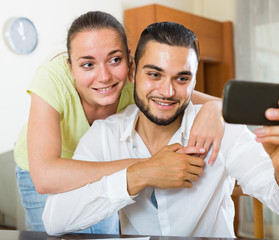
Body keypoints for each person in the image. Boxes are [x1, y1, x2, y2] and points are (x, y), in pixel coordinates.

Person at [42, 21, 279, 237]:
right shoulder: (105, 134)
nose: (167, 91)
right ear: (132, 72)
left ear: (195, 80)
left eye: (182, 78)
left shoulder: (224, 130)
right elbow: (54, 220)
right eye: (154, 74)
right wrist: (140, 174)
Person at [14, 12, 224, 233]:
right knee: (55, 234)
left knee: (105, 233)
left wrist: (215, 108)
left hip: (104, 163)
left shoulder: (135, 82)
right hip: (47, 167)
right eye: (87, 64)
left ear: (131, 63)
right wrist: (147, 168)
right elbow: (45, 177)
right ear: (70, 67)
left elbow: (200, 98)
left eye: (115, 60)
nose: (104, 76)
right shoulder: (52, 79)